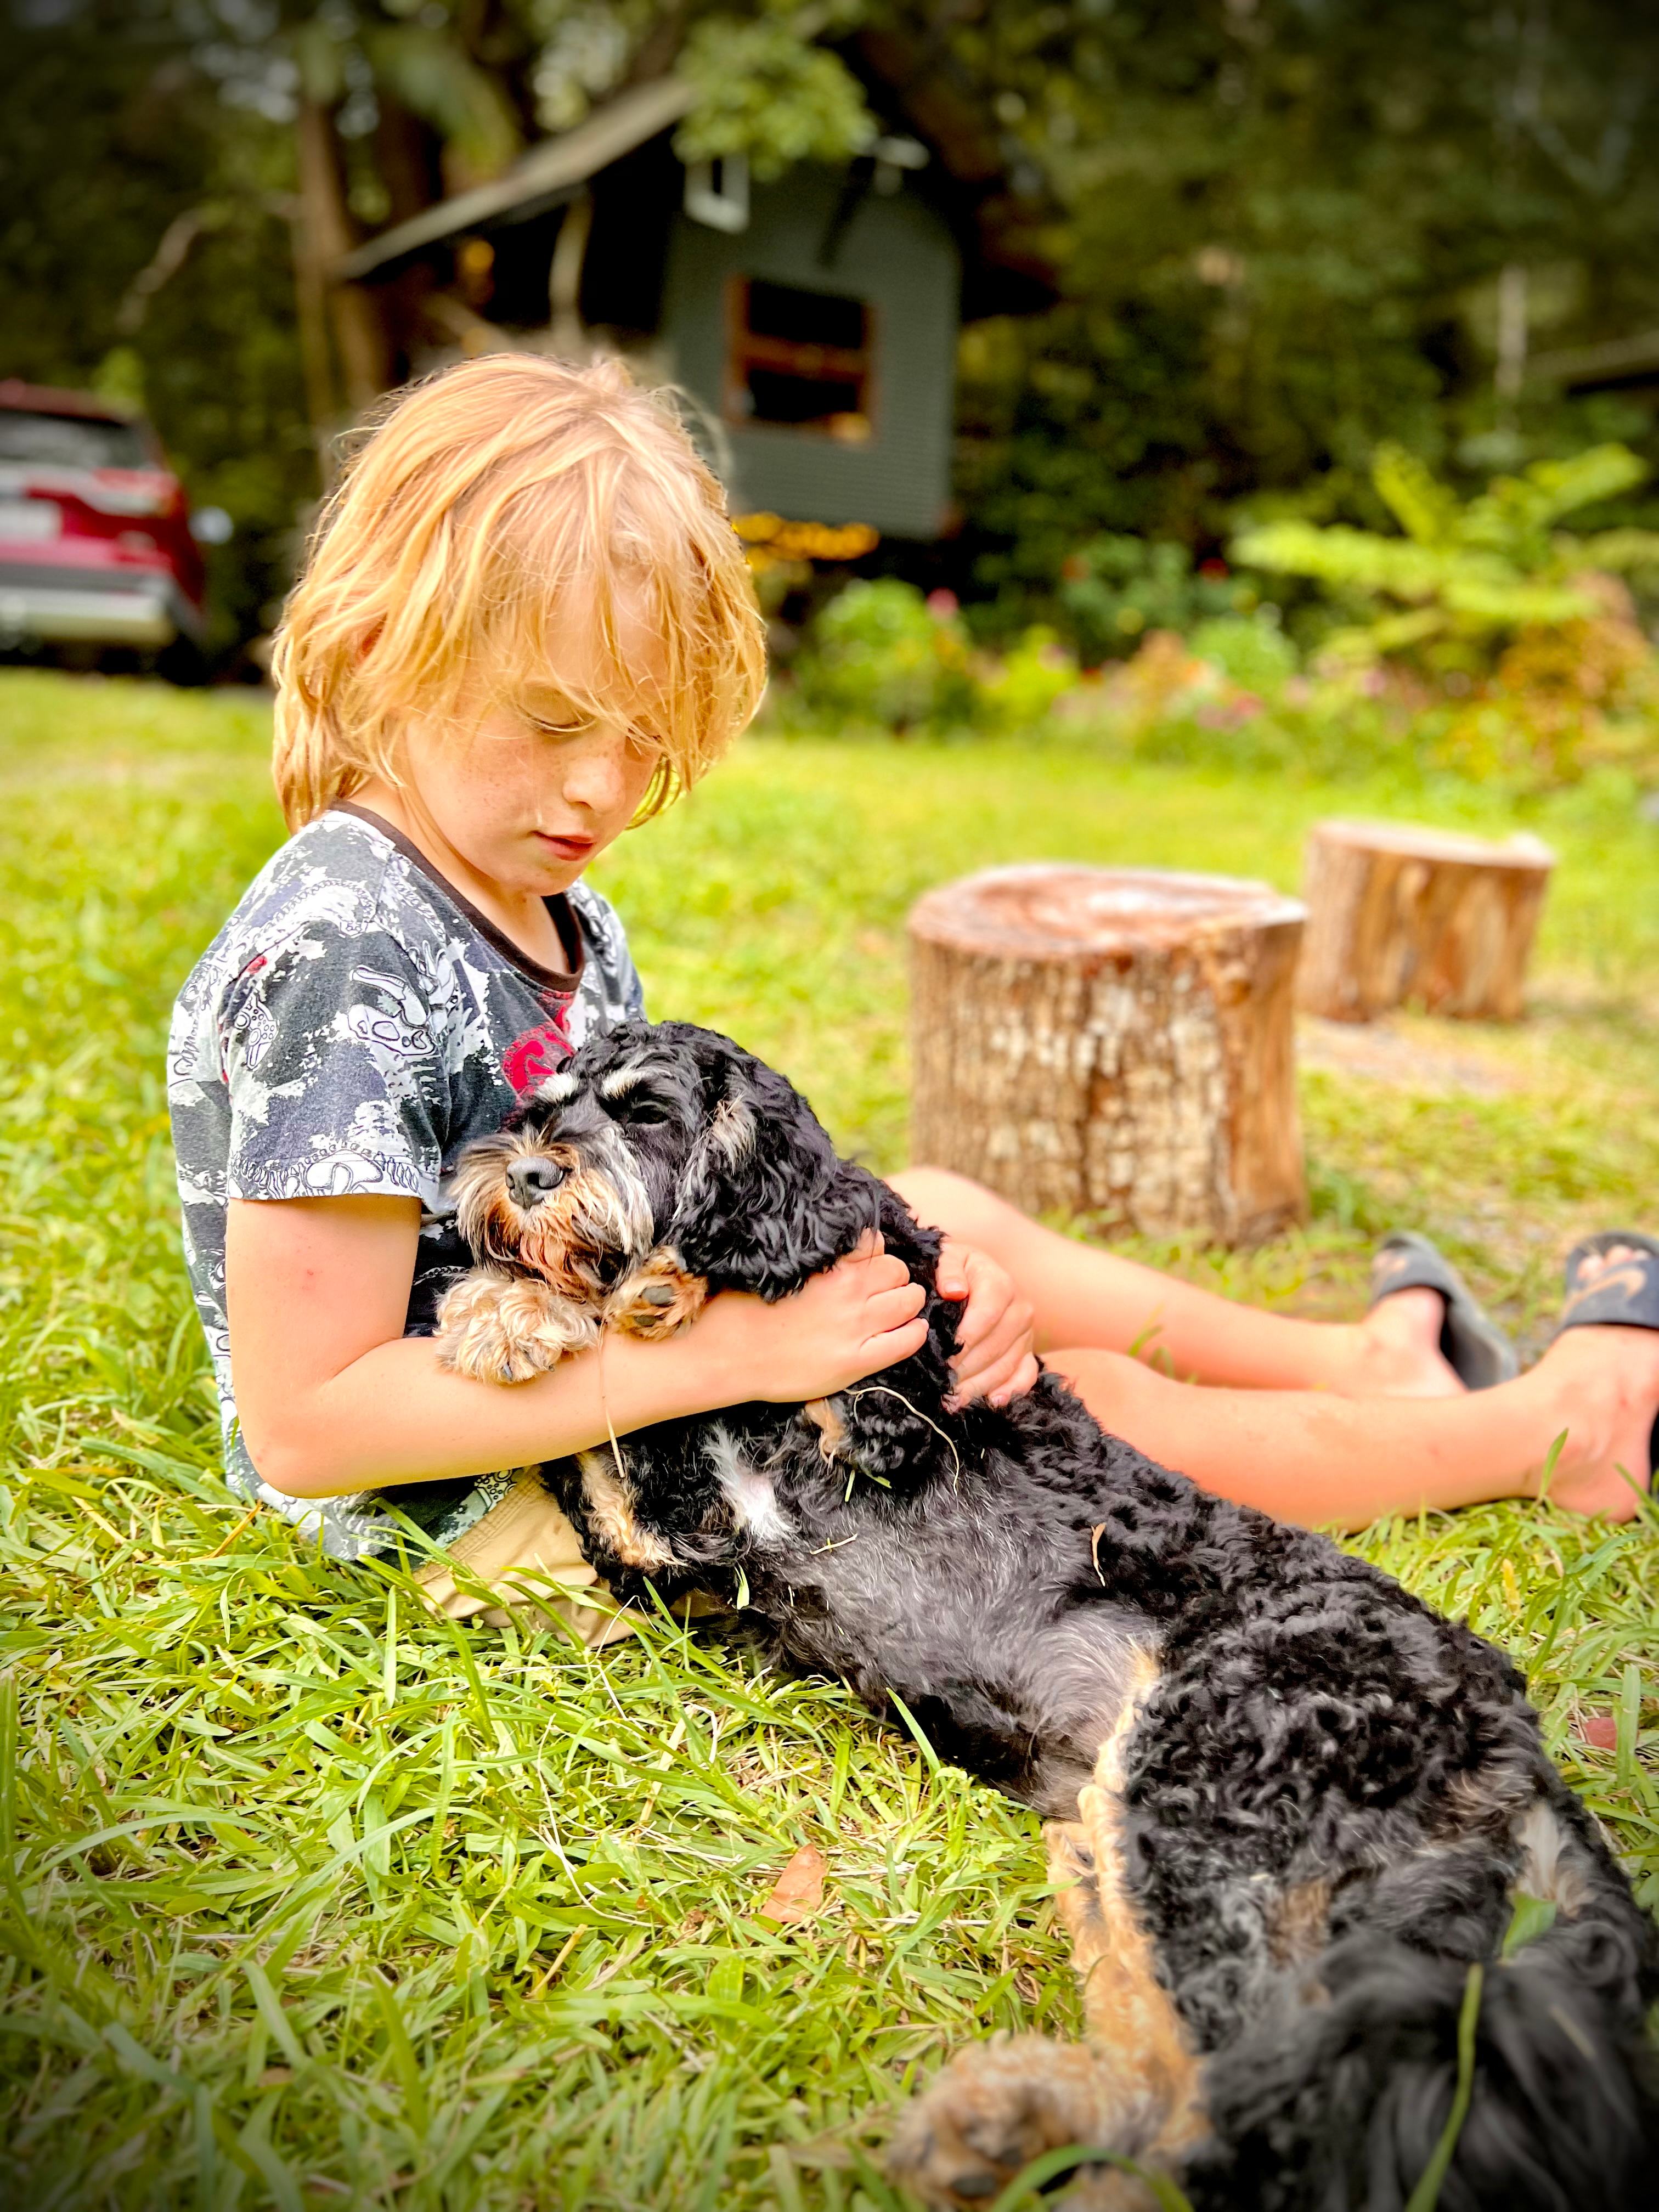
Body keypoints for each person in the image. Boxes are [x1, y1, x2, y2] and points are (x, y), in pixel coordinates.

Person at [167, 354, 1658, 1645]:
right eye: (557, 723)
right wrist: (754, 1353)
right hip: (473, 1514)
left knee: (944, 1211)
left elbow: (659, 1210)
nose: (604, 789)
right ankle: (1537, 1438)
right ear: (381, 650)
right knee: (1052, 1417)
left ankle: (1360, 1362)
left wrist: (908, 1274)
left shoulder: (541, 891)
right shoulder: (346, 946)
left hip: (600, 1369)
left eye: (646, 739)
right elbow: (312, 1425)